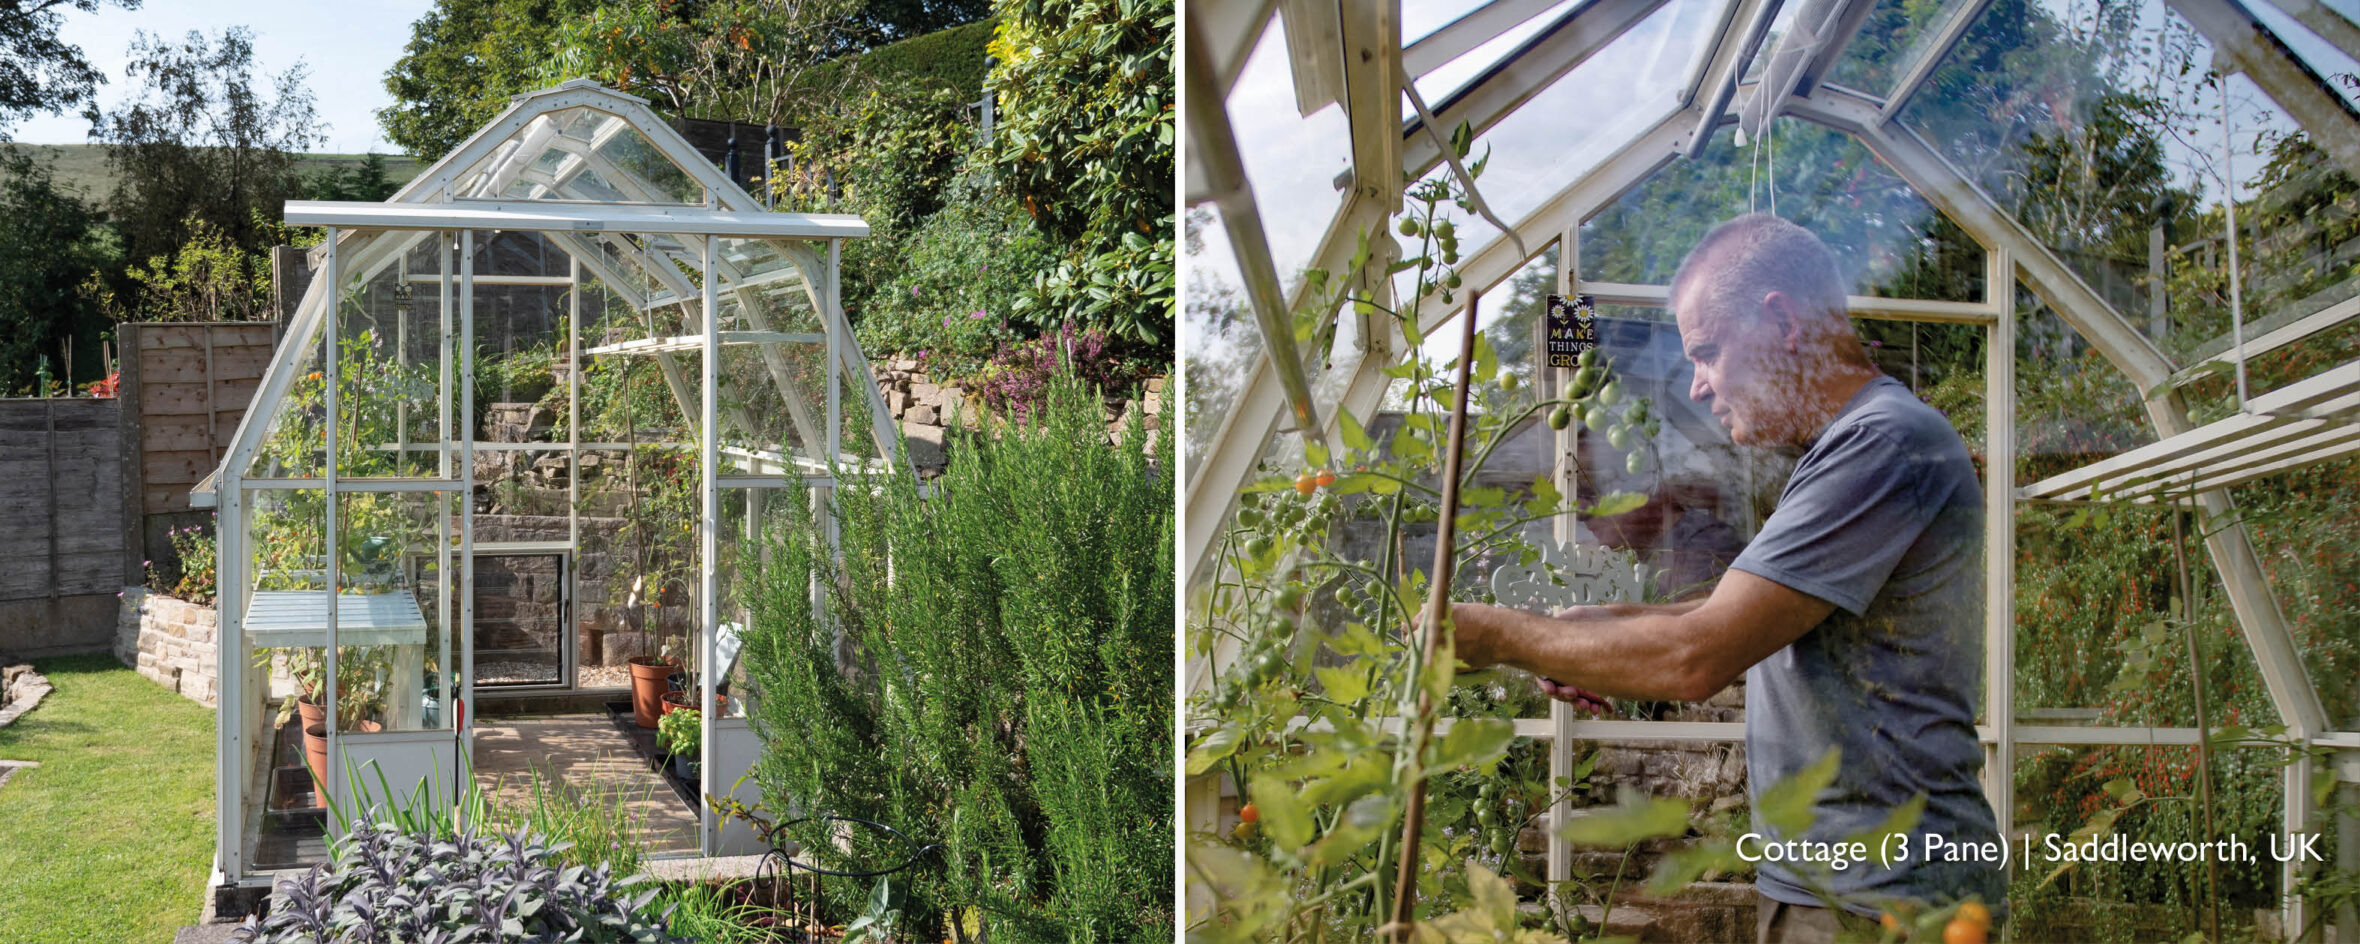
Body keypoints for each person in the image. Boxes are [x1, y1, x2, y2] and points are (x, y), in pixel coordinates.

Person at [1443, 214, 2003, 941]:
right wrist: (1596, 627)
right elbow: (1747, 609)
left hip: (1889, 898)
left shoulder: (1883, 445)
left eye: (1706, 353)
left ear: (1782, 323)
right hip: (1836, 882)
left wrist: (1495, 636)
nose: (1699, 386)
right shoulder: (1844, 448)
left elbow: (1697, 656)